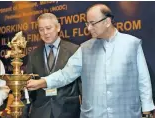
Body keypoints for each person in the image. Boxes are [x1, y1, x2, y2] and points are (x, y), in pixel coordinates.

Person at [26, 4, 155, 118]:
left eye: (93, 23)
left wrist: (147, 109)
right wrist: (42, 82)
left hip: (125, 112)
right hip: (93, 114)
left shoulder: (132, 44)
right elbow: (66, 74)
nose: (88, 28)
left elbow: (143, 80)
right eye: (87, 23)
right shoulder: (85, 48)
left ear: (107, 21)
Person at [23, 13, 81, 118]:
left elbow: (82, 86)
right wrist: (23, 114)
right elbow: (28, 89)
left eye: (48, 28)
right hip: (40, 112)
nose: (45, 33)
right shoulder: (33, 55)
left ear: (58, 27)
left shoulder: (74, 50)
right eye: (41, 30)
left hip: (68, 111)